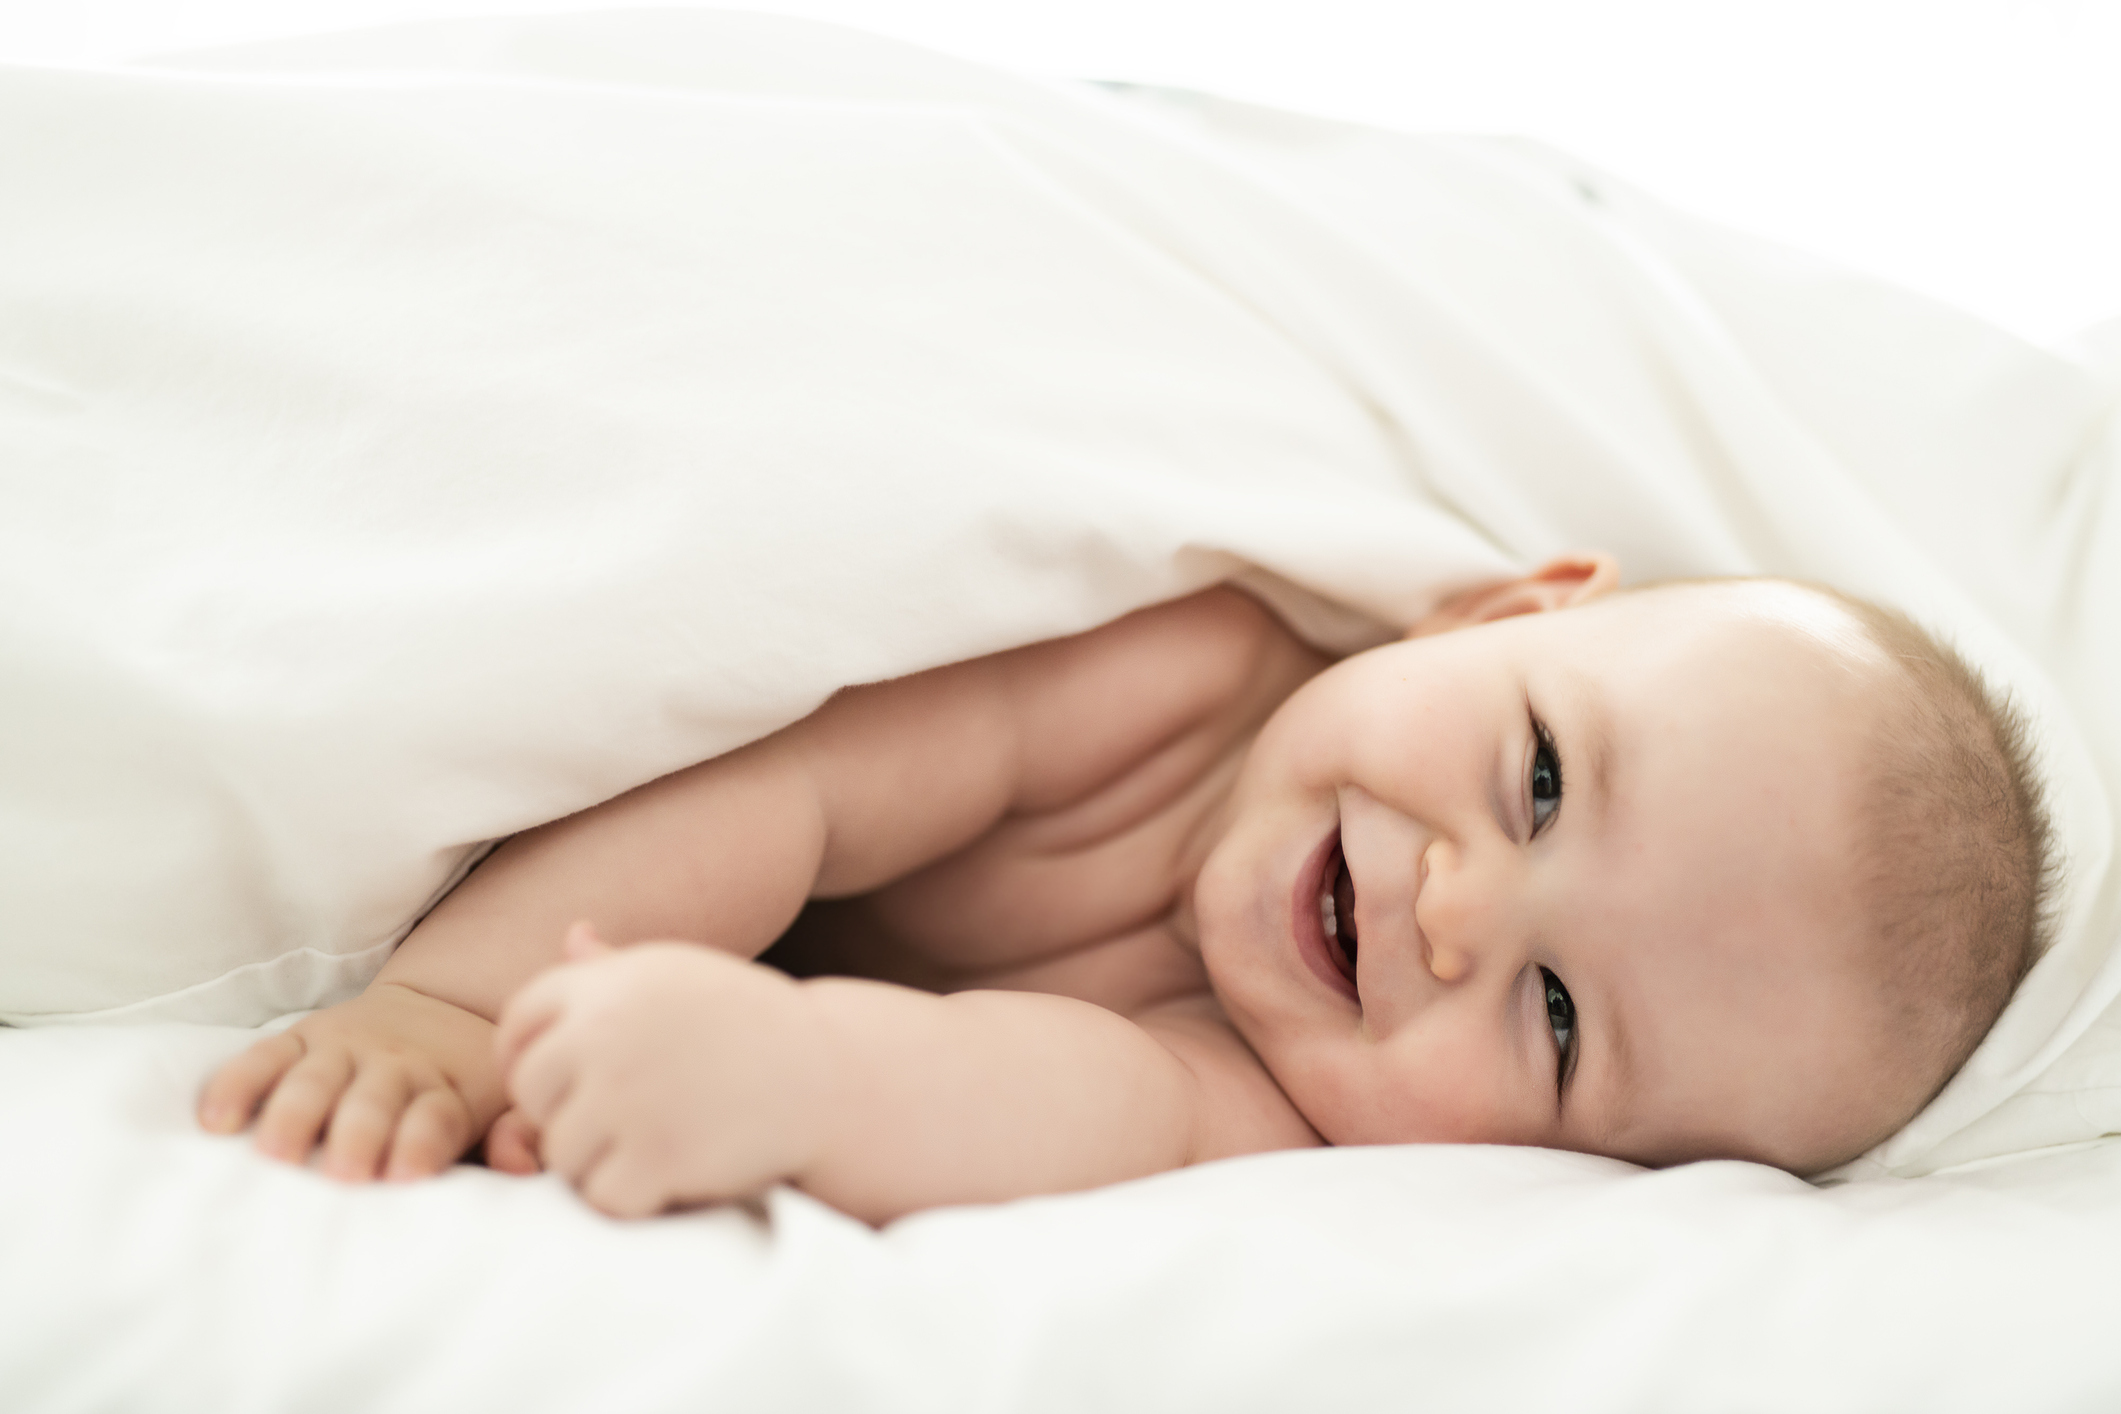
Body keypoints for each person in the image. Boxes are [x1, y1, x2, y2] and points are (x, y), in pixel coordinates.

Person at [195, 554, 2054, 1223]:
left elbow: (1062, 1104)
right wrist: (447, 1009)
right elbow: (801, 793)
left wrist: (790, 1074)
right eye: (1541, 777)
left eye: (1558, 1018)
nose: (1459, 917)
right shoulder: (1164, 682)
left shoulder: (1283, 1111)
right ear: (1496, 612)